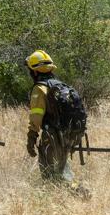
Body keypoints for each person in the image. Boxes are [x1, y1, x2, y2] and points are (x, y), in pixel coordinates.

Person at [25, 50, 89, 197]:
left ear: (35, 71)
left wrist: (31, 137)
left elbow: (36, 117)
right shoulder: (61, 85)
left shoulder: (40, 88)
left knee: (50, 174)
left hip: (53, 135)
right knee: (61, 168)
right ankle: (76, 189)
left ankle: (76, 192)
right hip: (71, 135)